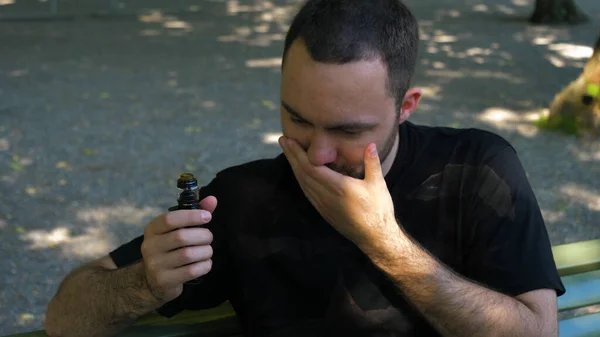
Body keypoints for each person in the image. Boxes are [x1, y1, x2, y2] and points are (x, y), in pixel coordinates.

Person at [44, 0, 566, 336]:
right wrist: (148, 284)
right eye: (297, 118)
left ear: (406, 107)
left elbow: (537, 332)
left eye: (347, 130)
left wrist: (384, 242)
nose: (316, 153)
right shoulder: (242, 197)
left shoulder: (476, 168)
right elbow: (64, 317)